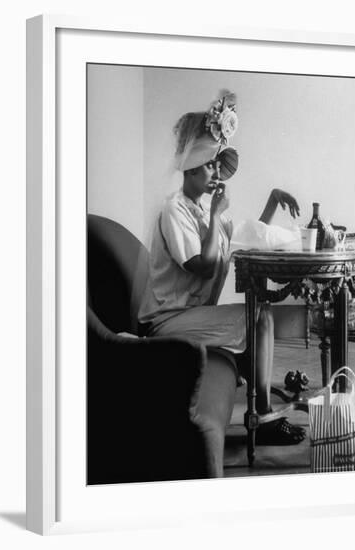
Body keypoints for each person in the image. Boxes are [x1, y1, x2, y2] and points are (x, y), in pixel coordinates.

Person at [138, 91, 305, 444]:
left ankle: (262, 409)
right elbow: (203, 265)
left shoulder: (200, 210)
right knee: (259, 316)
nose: (217, 172)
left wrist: (271, 200)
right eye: (212, 164)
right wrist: (215, 214)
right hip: (167, 321)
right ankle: (262, 418)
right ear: (191, 167)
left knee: (261, 313)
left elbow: (249, 236)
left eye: (217, 164)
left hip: (192, 314)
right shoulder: (175, 211)